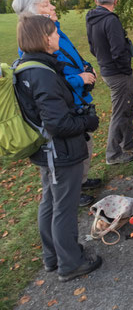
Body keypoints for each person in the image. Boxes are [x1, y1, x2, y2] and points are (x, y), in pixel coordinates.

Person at [14, 15, 102, 282]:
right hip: (60, 151)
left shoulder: (26, 66)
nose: (57, 38)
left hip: (47, 151)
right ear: (43, 38)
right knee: (63, 206)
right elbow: (58, 123)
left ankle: (53, 256)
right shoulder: (42, 74)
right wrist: (87, 120)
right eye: (53, 34)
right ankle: (70, 263)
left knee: (50, 203)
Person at [12, 0, 99, 207]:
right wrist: (79, 78)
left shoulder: (55, 30)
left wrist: (85, 66)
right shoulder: (37, 41)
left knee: (85, 144)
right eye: (46, 5)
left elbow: (70, 57)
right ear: (33, 11)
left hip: (75, 99)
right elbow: (52, 79)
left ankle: (81, 180)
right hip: (63, 107)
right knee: (72, 150)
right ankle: (73, 191)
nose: (53, 8)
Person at [86, 0, 133, 165]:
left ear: (96, 0)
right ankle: (113, 153)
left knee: (128, 107)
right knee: (120, 111)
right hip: (118, 73)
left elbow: (92, 47)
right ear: (116, 1)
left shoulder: (92, 19)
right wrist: (125, 69)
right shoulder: (110, 20)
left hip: (107, 70)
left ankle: (127, 142)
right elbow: (118, 50)